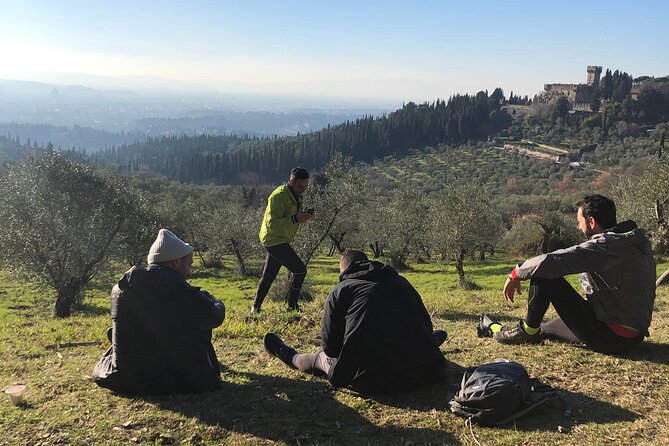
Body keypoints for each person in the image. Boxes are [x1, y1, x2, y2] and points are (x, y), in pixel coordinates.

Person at [479, 195, 656, 354]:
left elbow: (550, 262)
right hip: (632, 334)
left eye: (580, 222)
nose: (579, 227)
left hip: (610, 336)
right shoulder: (634, 240)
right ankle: (496, 327)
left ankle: (527, 332)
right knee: (545, 329)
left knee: (544, 275)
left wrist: (515, 273)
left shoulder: (605, 246)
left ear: (592, 222)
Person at [264, 250, 447, 394]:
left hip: (371, 381)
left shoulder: (342, 289)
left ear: (344, 269)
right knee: (418, 334)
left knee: (321, 358)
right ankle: (427, 342)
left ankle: (289, 355)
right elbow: (426, 324)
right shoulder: (401, 282)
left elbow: (330, 349)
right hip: (424, 373)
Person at [92, 229, 226, 395]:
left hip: (128, 381)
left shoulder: (119, 289)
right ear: (175, 263)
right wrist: (214, 301)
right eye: (189, 265)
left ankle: (120, 339)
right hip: (183, 382)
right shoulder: (184, 292)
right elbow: (215, 317)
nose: (189, 273)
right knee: (199, 319)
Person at [251, 167, 314, 313]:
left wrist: (301, 217)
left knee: (268, 276)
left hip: (279, 239)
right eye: (300, 186)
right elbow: (272, 223)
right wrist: (295, 219)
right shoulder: (279, 196)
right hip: (273, 240)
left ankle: (255, 308)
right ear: (291, 181)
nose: (303, 190)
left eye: (306, 187)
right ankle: (292, 307)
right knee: (300, 271)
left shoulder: (295, 194)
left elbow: (290, 217)